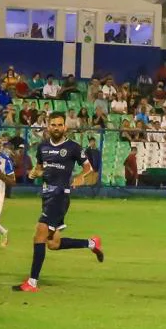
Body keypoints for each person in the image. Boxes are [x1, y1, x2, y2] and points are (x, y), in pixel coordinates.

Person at [12, 112, 103, 293]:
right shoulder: (43, 147)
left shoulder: (73, 148)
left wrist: (79, 177)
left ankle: (32, 282)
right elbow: (39, 168)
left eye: (60, 125)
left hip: (60, 196)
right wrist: (34, 173)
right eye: (53, 125)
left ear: (65, 127)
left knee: (39, 235)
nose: (56, 128)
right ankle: (92, 243)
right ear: (48, 127)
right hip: (47, 196)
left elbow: (89, 169)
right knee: (52, 244)